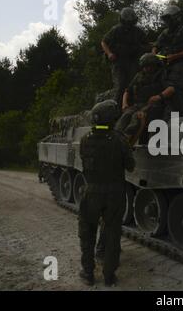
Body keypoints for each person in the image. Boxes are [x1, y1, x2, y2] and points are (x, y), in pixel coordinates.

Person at [78, 100, 135, 287]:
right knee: (112, 235)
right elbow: (131, 166)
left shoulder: (85, 139)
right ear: (112, 119)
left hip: (91, 192)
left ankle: (88, 273)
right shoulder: (119, 140)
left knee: (87, 234)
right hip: (114, 195)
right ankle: (109, 276)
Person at [115, 53, 175, 145]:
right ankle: (115, 137)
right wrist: (124, 103)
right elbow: (127, 91)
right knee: (126, 115)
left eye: (149, 66)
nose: (147, 69)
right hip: (137, 104)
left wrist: (159, 96)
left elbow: (171, 89)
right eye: (145, 66)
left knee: (137, 117)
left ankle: (126, 139)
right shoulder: (139, 76)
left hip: (153, 105)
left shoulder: (161, 75)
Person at [152, 5, 183, 114]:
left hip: (182, 61)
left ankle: (177, 109)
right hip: (166, 62)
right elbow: (156, 45)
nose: (167, 22)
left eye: (169, 19)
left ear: (176, 18)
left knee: (174, 83)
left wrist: (175, 56)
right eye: (166, 19)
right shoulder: (166, 32)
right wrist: (154, 54)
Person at [102, 7, 148, 108]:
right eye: (127, 22)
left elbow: (147, 44)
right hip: (118, 62)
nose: (129, 25)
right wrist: (109, 53)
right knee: (120, 86)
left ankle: (134, 106)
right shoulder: (116, 30)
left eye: (131, 22)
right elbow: (104, 42)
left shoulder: (138, 32)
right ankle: (115, 110)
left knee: (134, 84)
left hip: (132, 61)